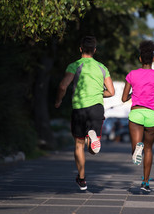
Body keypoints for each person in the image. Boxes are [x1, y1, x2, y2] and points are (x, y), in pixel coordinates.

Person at [55, 36, 115, 191]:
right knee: (92, 148)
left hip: (80, 108)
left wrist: (58, 101)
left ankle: (81, 179)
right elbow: (112, 92)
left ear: (80, 49)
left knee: (78, 144)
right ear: (94, 50)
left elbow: (63, 86)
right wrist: (98, 93)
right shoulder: (102, 67)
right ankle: (92, 139)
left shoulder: (75, 65)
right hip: (97, 108)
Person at [121, 40, 154, 192]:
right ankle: (145, 183)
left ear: (140, 59)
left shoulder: (132, 75)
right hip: (152, 115)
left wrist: (131, 95)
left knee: (136, 148)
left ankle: (137, 148)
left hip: (137, 113)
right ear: (153, 59)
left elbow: (123, 99)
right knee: (149, 149)